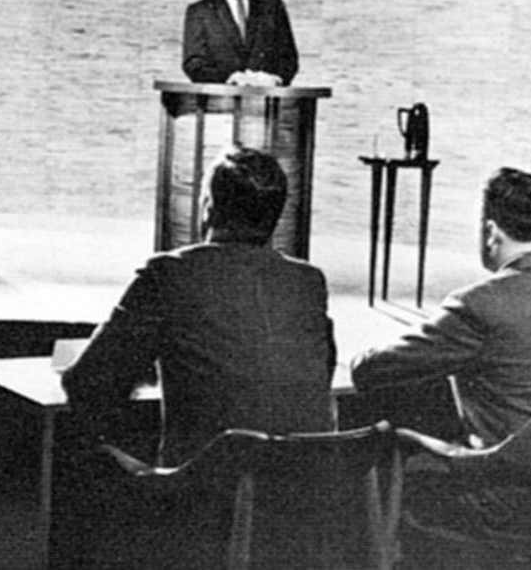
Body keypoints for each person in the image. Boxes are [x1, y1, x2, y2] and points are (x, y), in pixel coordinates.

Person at [350, 167, 531, 566]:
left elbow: (371, 373)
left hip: (503, 505)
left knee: (386, 443)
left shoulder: (479, 304)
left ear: (491, 231)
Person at [63, 147, 334, 465]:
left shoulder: (168, 273)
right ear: (276, 216)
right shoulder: (308, 282)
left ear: (207, 208)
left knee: (88, 457)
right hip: (302, 489)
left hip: (208, 490)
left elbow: (88, 380)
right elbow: (319, 372)